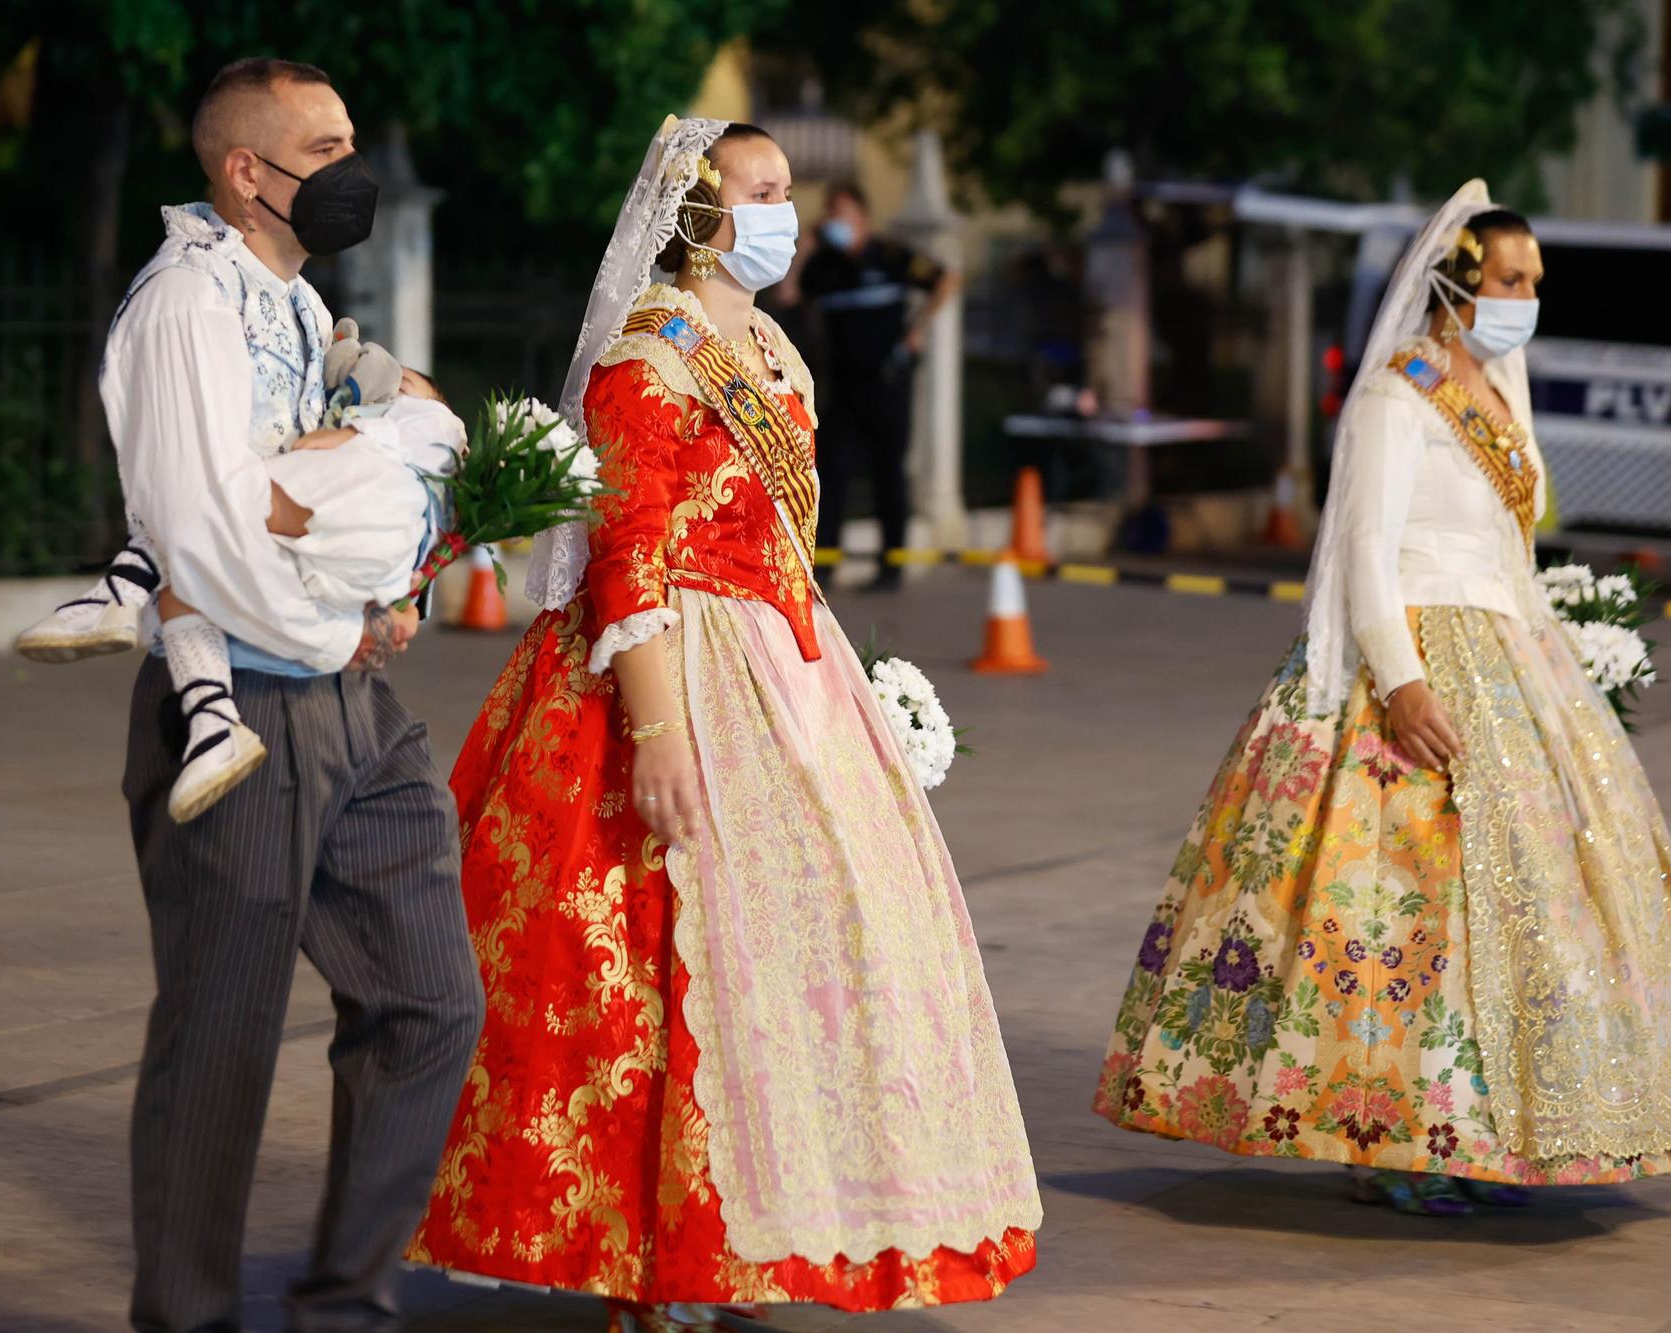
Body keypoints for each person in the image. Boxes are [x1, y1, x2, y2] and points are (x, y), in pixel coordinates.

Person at [408, 117, 1039, 1331]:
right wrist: (656, 735)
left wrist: (830, 685)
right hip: (665, 671)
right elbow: (628, 558)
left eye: (786, 191)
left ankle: (758, 1233)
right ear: (698, 212)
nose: (783, 211)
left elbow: (784, 545)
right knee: (650, 974)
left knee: (809, 960)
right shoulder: (648, 359)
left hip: (780, 660)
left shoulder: (770, 345)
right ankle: (654, 1259)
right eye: (761, 190)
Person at [1094, 181, 1671, 1215]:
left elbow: (1513, 538)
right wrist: (1402, 682)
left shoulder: (1501, 388)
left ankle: (1482, 1134)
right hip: (1408, 655)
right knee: (1389, 909)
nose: (1526, 297)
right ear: (1455, 284)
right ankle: (1385, 1143)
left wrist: (1550, 654)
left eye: (1533, 281)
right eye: (1509, 279)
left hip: (1507, 653)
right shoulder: (1395, 393)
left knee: (1514, 911)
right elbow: (1363, 545)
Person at [94, 58, 484, 1330]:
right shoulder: (182, 311)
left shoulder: (304, 309)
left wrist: (378, 581)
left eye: (350, 139)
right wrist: (334, 596)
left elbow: (333, 489)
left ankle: (343, 1299)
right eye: (322, 148)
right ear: (243, 171)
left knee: (431, 998)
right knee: (221, 1035)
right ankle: (188, 1314)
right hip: (236, 712)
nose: (350, 168)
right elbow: (206, 532)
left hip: (352, 709)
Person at [15, 345, 466, 823]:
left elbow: (325, 449)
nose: (395, 385)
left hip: (317, 579)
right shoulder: (423, 477)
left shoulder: (425, 427)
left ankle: (122, 593)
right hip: (306, 586)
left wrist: (326, 439)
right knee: (187, 593)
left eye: (407, 384)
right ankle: (213, 726)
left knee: (205, 504)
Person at [798, 181, 960, 592]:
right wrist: (809, 245)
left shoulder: (891, 256)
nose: (838, 222)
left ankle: (892, 566)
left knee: (889, 472)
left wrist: (918, 329)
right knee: (829, 476)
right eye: (832, 214)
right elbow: (788, 291)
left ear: (863, 218)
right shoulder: (824, 266)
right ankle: (826, 565)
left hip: (888, 382)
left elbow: (947, 279)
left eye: (844, 214)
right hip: (839, 385)